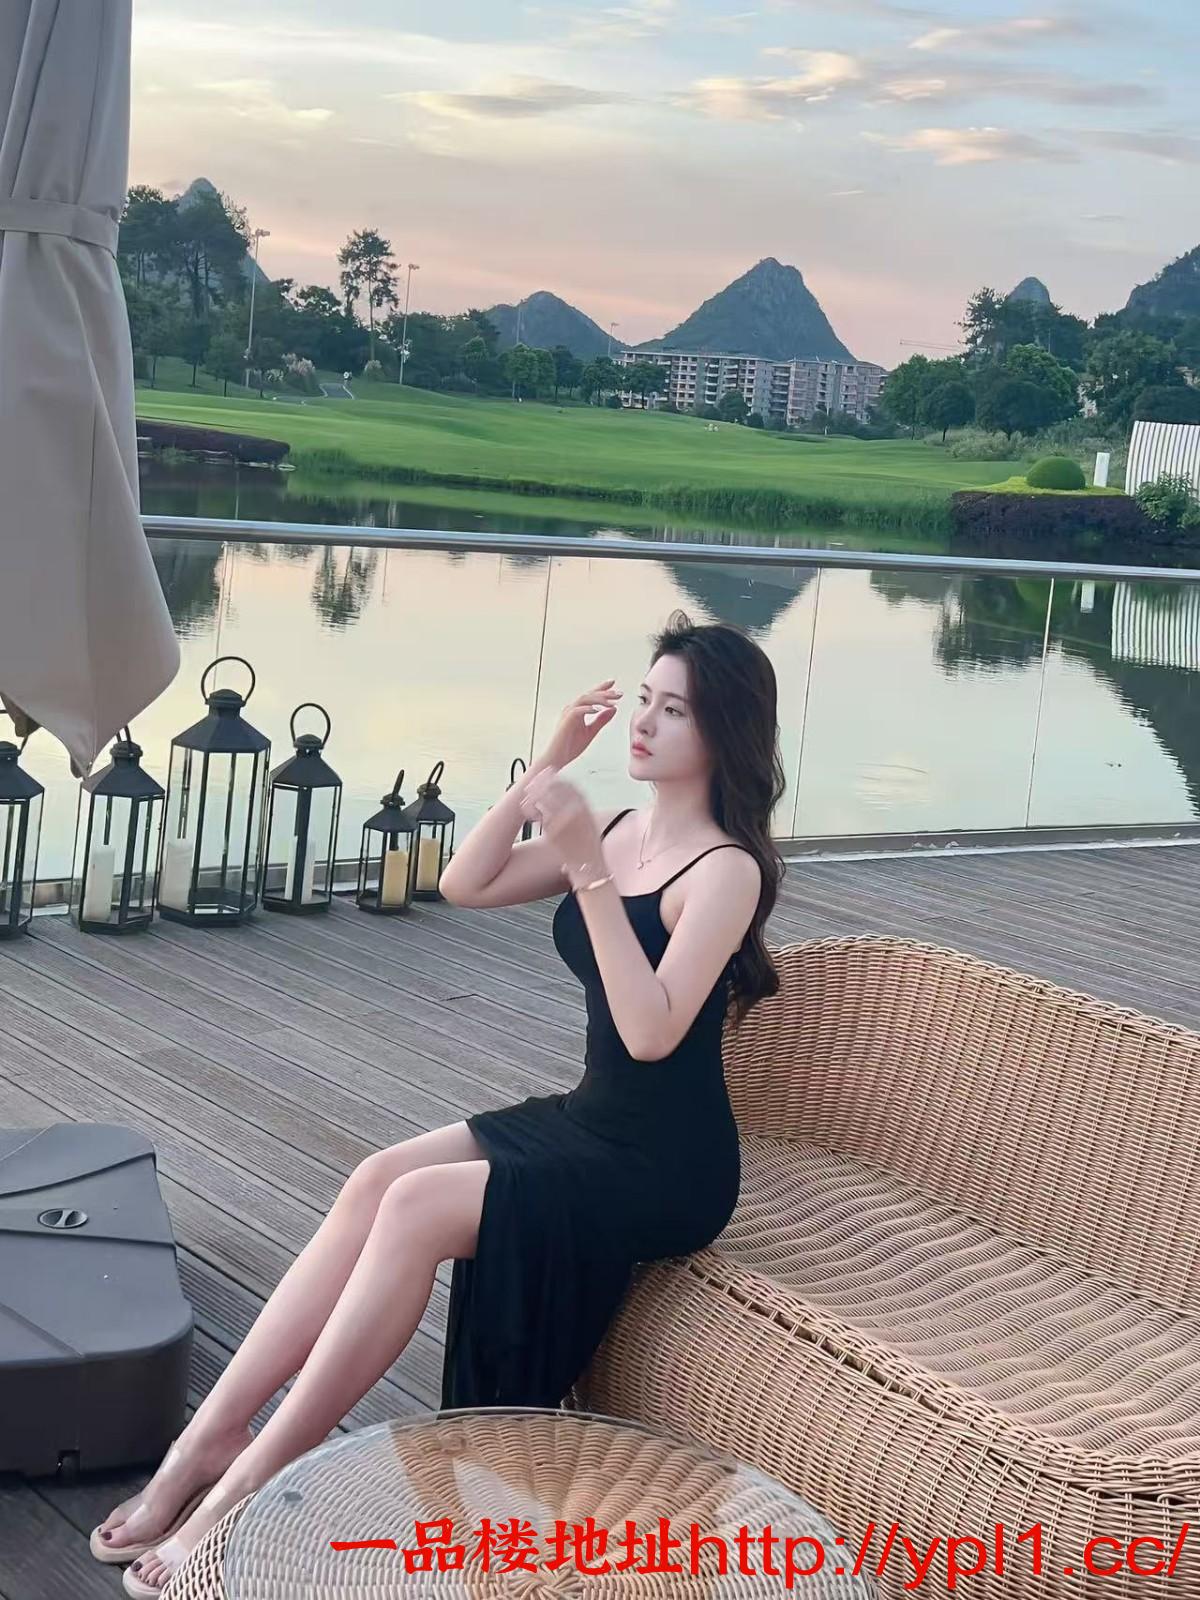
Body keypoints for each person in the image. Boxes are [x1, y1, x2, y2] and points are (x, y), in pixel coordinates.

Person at [91, 613, 786, 1596]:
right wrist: (550, 765)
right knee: (378, 1177)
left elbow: (651, 1032)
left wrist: (586, 863)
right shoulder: (620, 830)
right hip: (590, 1118)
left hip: (664, 1168)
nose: (643, 723)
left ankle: (250, 1480)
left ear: (723, 732)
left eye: (674, 711)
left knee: (417, 1207)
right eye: (644, 700)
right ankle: (212, 1435)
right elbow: (466, 881)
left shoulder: (724, 870)